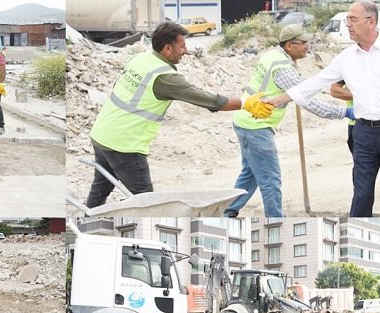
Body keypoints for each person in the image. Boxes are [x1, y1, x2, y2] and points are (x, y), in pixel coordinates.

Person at [266, 1, 380, 217]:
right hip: (363, 133)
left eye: (352, 19)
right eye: (347, 20)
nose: (348, 24)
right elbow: (317, 81)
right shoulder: (346, 58)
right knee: (361, 194)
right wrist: (283, 98)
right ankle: (358, 242)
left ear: (370, 21)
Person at [84, 21, 273, 208]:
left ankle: (87, 218)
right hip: (124, 145)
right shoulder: (165, 78)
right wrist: (245, 103)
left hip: (102, 133)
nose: (185, 50)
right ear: (167, 48)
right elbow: (209, 100)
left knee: (100, 189)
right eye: (182, 46)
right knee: (147, 203)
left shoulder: (139, 59)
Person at [224, 24, 352, 217]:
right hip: (256, 126)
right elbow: (309, 102)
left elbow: (301, 87)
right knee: (270, 178)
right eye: (303, 43)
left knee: (251, 173)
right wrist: (345, 112)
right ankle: (275, 220)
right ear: (289, 45)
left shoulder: (273, 56)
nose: (307, 46)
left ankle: (228, 211)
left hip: (245, 121)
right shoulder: (282, 67)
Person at [330, 82, 380, 217]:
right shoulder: (349, 63)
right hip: (359, 125)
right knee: (363, 177)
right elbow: (334, 90)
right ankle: (362, 215)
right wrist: (363, 95)